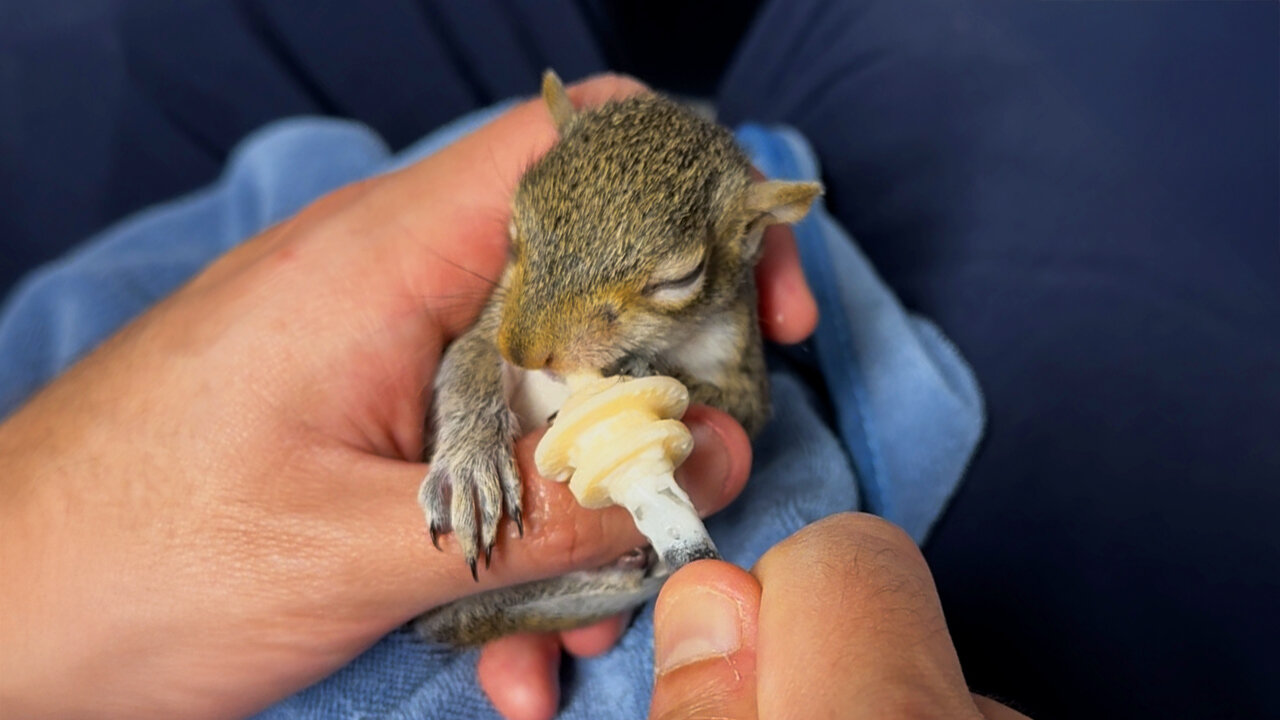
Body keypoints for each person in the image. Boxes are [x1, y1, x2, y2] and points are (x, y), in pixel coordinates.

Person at [0, 74, 1021, 720]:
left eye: (657, 287)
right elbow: (493, 348)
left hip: (607, 555)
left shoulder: (727, 330)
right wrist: (478, 425)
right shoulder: (522, 313)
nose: (543, 329)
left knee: (646, 564)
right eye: (527, 247)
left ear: (748, 234)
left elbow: (734, 423)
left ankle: (516, 605)